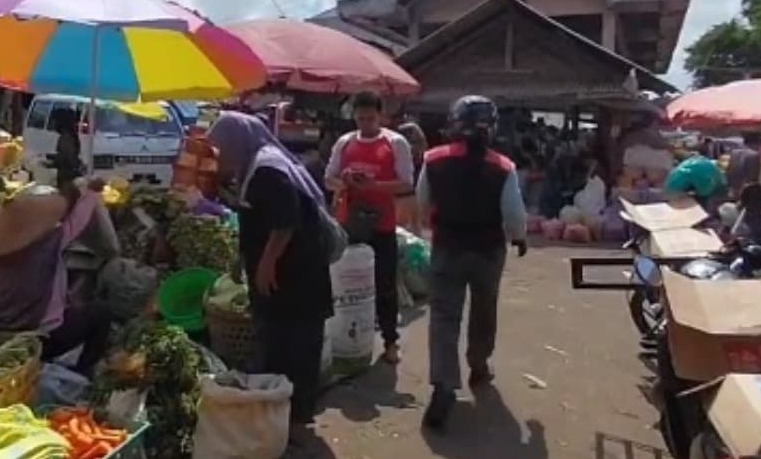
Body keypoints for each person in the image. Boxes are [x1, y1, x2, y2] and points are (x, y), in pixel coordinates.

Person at [208, 112, 333, 424]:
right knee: (281, 338)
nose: (220, 155)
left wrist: (266, 263)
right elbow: (257, 219)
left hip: (294, 271)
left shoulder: (267, 169)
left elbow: (285, 220)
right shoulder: (255, 163)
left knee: (293, 341)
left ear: (237, 141)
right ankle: (281, 407)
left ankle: (294, 412)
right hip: (287, 269)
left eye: (222, 147)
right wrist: (242, 258)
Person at [416, 96, 527, 429]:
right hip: (488, 250)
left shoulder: (433, 159)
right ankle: (479, 366)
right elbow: (514, 214)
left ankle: (444, 384)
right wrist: (519, 236)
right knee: (483, 308)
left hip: (447, 247)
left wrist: (433, 224)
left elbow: (422, 202)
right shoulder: (503, 167)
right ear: (491, 127)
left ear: (454, 124)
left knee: (444, 316)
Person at [0, 171, 114, 374]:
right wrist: (90, 192)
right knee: (101, 312)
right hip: (35, 341)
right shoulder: (47, 242)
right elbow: (79, 219)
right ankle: (84, 372)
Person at [325, 92, 414, 365]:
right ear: (354, 116)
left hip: (382, 224)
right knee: (343, 281)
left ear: (381, 116)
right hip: (348, 222)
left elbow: (406, 183)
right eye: (360, 118)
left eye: (370, 118)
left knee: (385, 284)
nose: (365, 124)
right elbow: (329, 178)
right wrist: (345, 182)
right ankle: (343, 337)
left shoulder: (395, 143)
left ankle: (390, 341)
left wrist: (372, 186)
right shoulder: (345, 142)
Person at [725, 132, 761, 199]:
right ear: (755, 143)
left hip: (732, 188)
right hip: (745, 191)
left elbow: (728, 170)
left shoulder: (733, 153)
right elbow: (753, 177)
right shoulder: (754, 155)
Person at [53, 106, 83, 189]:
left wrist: (52, 163)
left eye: (55, 121)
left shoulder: (66, 138)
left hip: (66, 178)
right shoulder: (71, 136)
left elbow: (67, 158)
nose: (53, 123)